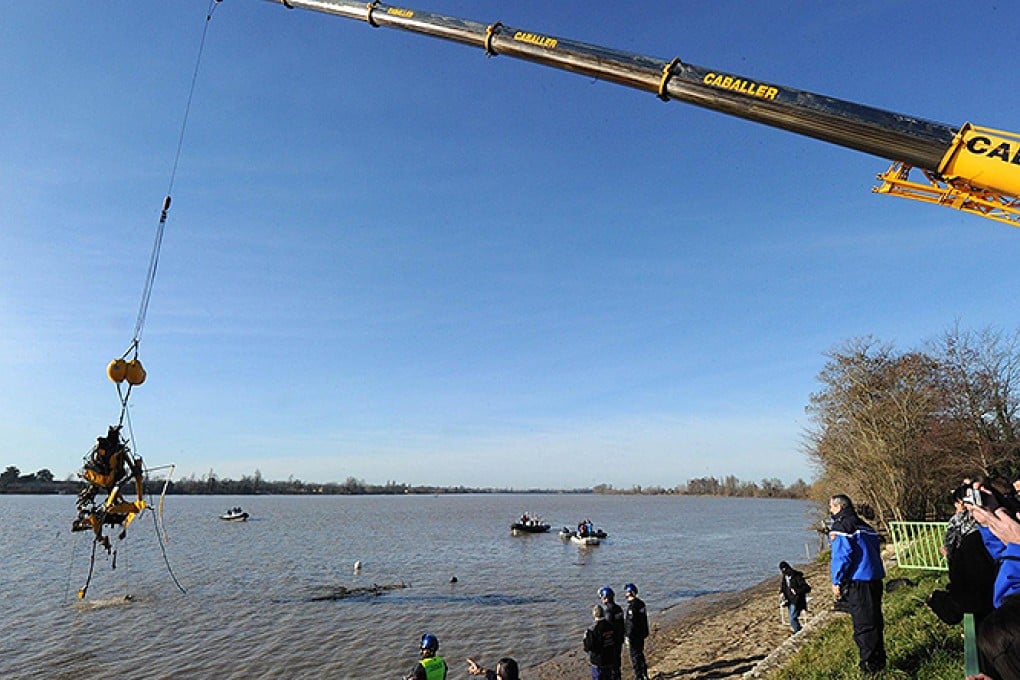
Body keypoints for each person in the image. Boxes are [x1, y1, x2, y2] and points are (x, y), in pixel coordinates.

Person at [829, 494, 887, 674]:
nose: (830, 510)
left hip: (858, 581)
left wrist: (836, 581)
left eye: (831, 506)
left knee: (863, 626)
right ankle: (879, 662)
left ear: (839, 507)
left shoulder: (842, 526)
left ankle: (870, 668)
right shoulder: (866, 526)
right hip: (874, 579)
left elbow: (842, 556)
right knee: (876, 622)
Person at [623, 583, 649, 680]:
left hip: (634, 636)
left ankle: (639, 676)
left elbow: (631, 624)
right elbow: (644, 620)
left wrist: (627, 636)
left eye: (627, 592)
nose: (625, 594)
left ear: (630, 593)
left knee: (635, 657)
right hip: (641, 634)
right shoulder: (641, 603)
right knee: (640, 654)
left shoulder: (632, 607)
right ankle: (644, 673)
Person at [599, 586, 625, 680]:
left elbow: (607, 629)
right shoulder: (618, 608)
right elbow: (622, 624)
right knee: (617, 663)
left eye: (602, 597)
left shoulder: (608, 612)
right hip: (619, 640)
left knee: (611, 666)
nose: (601, 599)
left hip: (612, 643)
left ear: (606, 598)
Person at [584, 604, 616, 679]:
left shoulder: (592, 630)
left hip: (598, 661)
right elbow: (615, 639)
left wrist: (585, 639)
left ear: (594, 614)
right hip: (610, 658)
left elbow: (588, 646)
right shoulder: (610, 626)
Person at [778, 561, 810, 634]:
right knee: (792, 618)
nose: (784, 572)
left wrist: (796, 591)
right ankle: (798, 629)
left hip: (797, 601)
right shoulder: (785, 577)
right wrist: (782, 593)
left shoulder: (797, 576)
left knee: (792, 618)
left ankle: (798, 631)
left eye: (785, 569)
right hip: (789, 600)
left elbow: (807, 588)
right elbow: (783, 587)